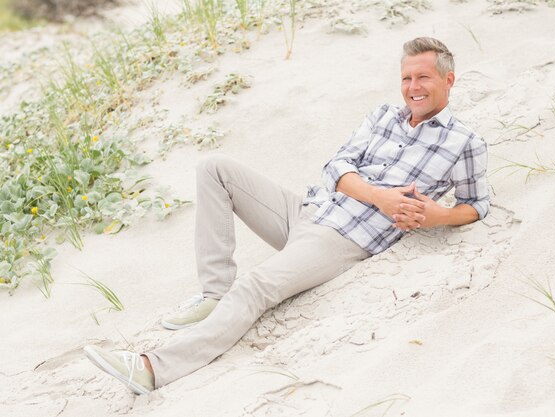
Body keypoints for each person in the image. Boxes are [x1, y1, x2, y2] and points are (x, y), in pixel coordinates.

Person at [83, 37, 489, 394]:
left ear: (448, 81)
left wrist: (437, 215)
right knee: (215, 169)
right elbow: (336, 166)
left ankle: (154, 369)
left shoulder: (464, 143)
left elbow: (475, 205)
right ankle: (213, 295)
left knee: (255, 287)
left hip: (342, 238)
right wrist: (379, 197)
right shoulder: (383, 115)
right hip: (307, 210)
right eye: (406, 78)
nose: (413, 88)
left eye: (423, 78)